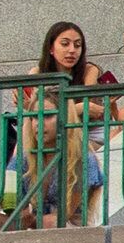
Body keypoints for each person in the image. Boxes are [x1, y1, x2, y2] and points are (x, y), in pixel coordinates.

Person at [8, 20, 118, 227]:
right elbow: (35, 112)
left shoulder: (88, 70)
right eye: (65, 44)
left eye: (77, 45)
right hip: (49, 135)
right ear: (51, 47)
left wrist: (57, 111)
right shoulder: (37, 73)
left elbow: (87, 110)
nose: (72, 51)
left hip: (87, 132)